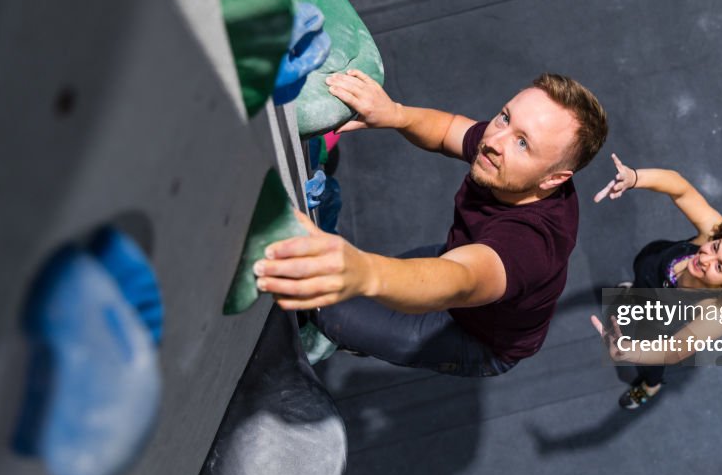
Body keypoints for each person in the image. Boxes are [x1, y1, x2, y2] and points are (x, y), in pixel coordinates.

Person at [253, 69, 608, 377]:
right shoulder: (506, 153)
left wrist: (365, 273)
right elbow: (447, 130)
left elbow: (460, 280)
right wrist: (395, 114)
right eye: (504, 117)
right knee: (381, 283)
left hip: (479, 336)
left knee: (330, 311)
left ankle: (332, 335)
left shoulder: (528, 246)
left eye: (523, 143)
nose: (494, 141)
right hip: (457, 256)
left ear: (553, 180)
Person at [591, 154, 722, 409]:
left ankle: (651, 386)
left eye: (719, 267)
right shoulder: (714, 230)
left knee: (651, 363)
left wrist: (629, 352)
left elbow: (674, 349)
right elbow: (679, 187)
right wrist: (634, 177)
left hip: (659, 325)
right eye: (715, 247)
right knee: (640, 288)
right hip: (648, 272)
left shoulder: (718, 314)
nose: (705, 257)